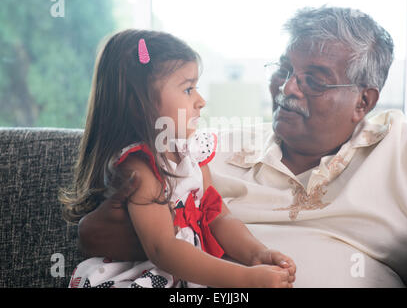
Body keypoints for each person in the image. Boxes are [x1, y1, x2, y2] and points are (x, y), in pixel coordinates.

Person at [75, 7, 407, 287]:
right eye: (283, 69)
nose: (288, 88)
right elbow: (96, 235)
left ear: (363, 102)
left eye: (314, 80)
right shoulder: (202, 149)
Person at [59, 29, 297, 288]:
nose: (201, 101)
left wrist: (256, 255)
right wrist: (245, 279)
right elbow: (163, 249)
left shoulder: (191, 153)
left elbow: (218, 216)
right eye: (188, 89)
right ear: (140, 104)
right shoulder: (138, 169)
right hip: (142, 278)